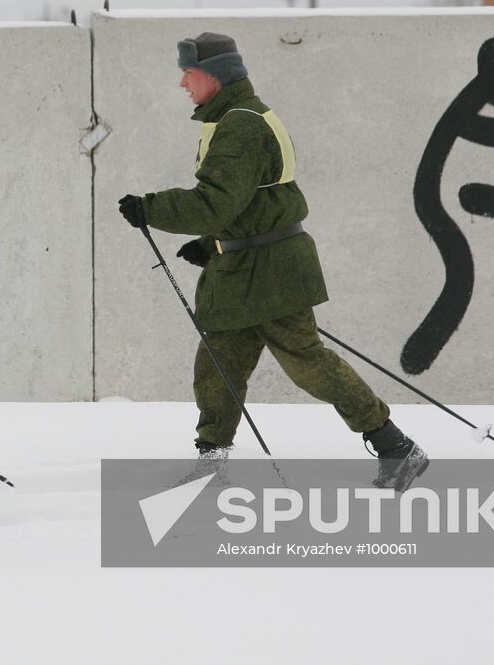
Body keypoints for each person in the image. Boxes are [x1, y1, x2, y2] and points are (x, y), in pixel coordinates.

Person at [117, 33, 428, 490]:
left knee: (308, 365)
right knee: (218, 363)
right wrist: (214, 244)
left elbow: (216, 202)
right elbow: (252, 201)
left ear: (216, 76)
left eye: (190, 73)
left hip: (270, 273)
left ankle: (395, 447)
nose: (183, 83)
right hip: (247, 268)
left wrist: (152, 208)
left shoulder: (240, 126)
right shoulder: (231, 119)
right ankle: (212, 461)